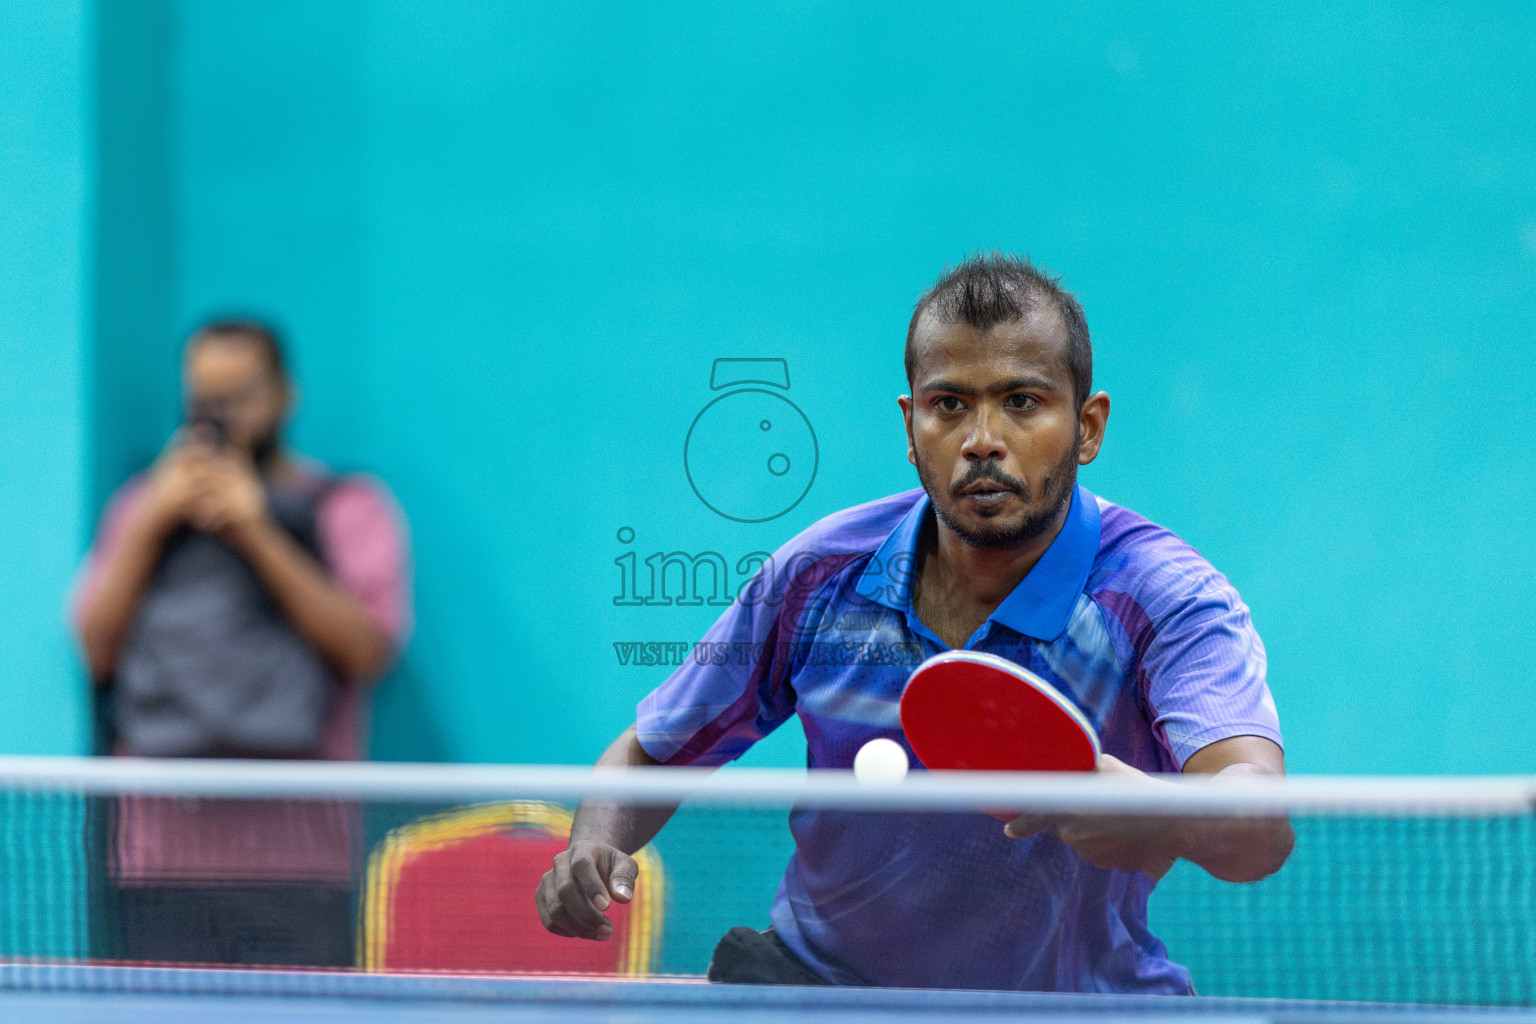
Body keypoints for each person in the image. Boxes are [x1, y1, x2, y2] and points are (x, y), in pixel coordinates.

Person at [535, 254, 1293, 992]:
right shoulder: (820, 575)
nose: (981, 439)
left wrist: (1162, 818)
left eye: (1022, 402)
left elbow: (1261, 825)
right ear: (911, 425)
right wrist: (593, 846)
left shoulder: (1165, 598)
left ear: (1088, 427)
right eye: (949, 405)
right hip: (824, 994)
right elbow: (653, 749)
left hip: (1070, 1006)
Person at [71, 318, 410, 966]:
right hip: (156, 862)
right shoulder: (141, 504)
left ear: (286, 395)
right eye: (203, 398)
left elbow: (368, 651)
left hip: (301, 864)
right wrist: (150, 524)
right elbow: (96, 648)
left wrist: (256, 528)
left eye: (241, 395)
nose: (220, 416)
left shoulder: (348, 507)